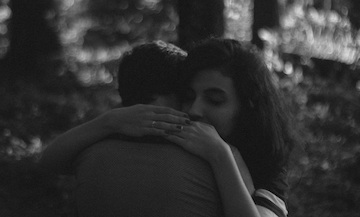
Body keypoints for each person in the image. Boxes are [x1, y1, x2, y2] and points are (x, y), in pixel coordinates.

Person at [40, 40, 254, 217]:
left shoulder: (89, 149)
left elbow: (47, 162)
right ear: (176, 93)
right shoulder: (217, 153)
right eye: (187, 96)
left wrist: (108, 122)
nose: (194, 109)